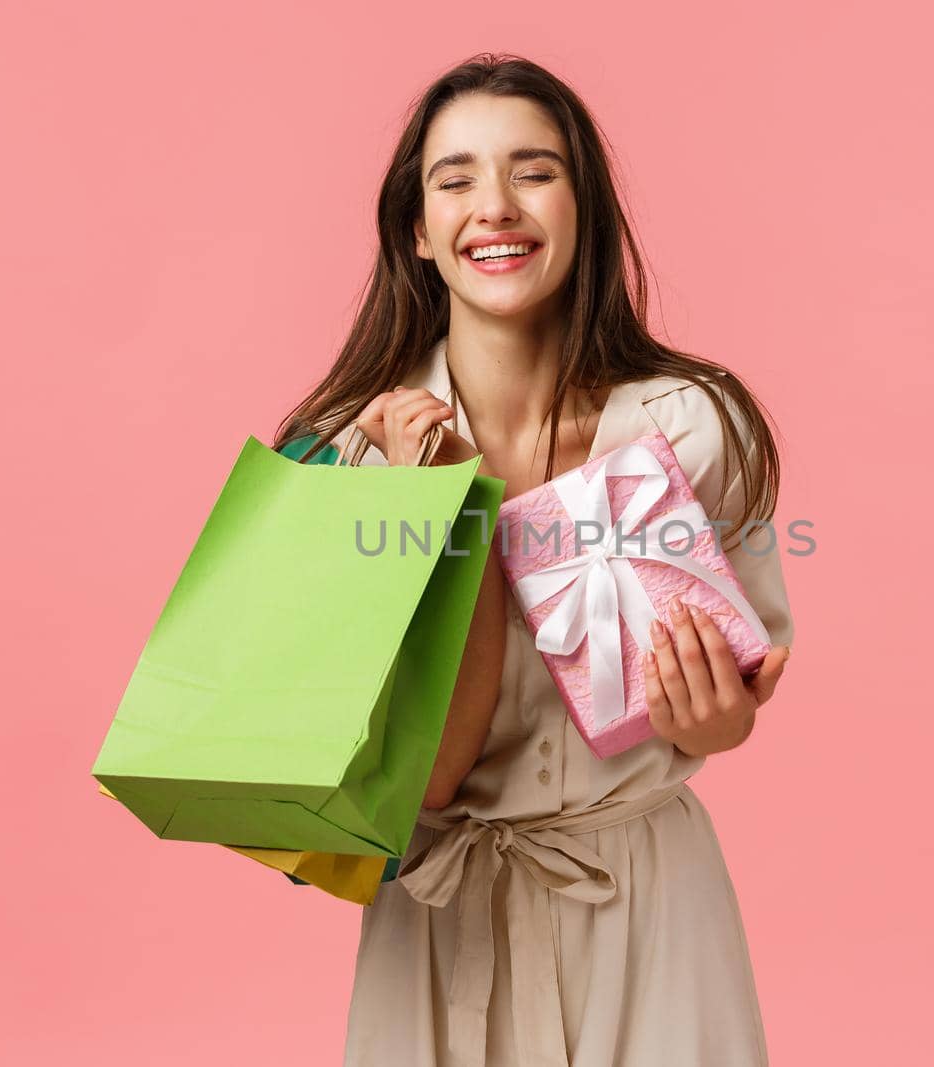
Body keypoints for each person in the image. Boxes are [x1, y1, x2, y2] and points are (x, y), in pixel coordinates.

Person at [272, 53, 796, 1067]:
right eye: (454, 178)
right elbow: (415, 773)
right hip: (438, 918)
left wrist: (722, 719)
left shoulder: (688, 425)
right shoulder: (346, 456)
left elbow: (738, 681)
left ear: (585, 208)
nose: (494, 206)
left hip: (649, 904)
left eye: (534, 170)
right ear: (416, 231)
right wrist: (445, 501)